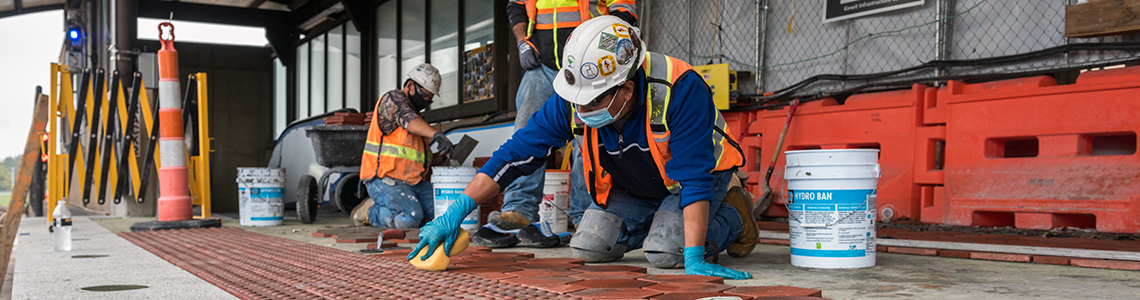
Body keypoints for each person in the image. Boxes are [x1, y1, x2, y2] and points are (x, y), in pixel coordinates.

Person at [411, 16, 758, 280]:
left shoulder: (680, 88)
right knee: (589, 245)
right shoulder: (571, 99)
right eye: (577, 100)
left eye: (592, 101)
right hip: (638, 188)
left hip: (691, 184)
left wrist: (695, 255)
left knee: (667, 252)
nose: (582, 110)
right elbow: (515, 155)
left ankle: (733, 217)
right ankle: (664, 225)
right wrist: (455, 211)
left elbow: (695, 175)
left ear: (626, 88)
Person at [490, 0, 638, 231]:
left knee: (589, 139)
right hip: (543, 65)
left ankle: (586, 214)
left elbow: (624, 7)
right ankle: (519, 208)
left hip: (590, 67)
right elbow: (516, 6)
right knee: (526, 132)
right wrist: (522, 42)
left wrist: (606, 42)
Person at [356, 64, 454, 229]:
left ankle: (395, 209)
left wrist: (444, 155)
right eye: (424, 96)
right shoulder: (392, 100)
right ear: (410, 86)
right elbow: (405, 117)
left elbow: (425, 160)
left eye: (429, 99)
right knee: (411, 219)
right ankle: (370, 212)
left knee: (439, 217)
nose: (426, 102)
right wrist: (437, 134)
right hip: (384, 180)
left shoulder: (418, 124)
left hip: (415, 183)